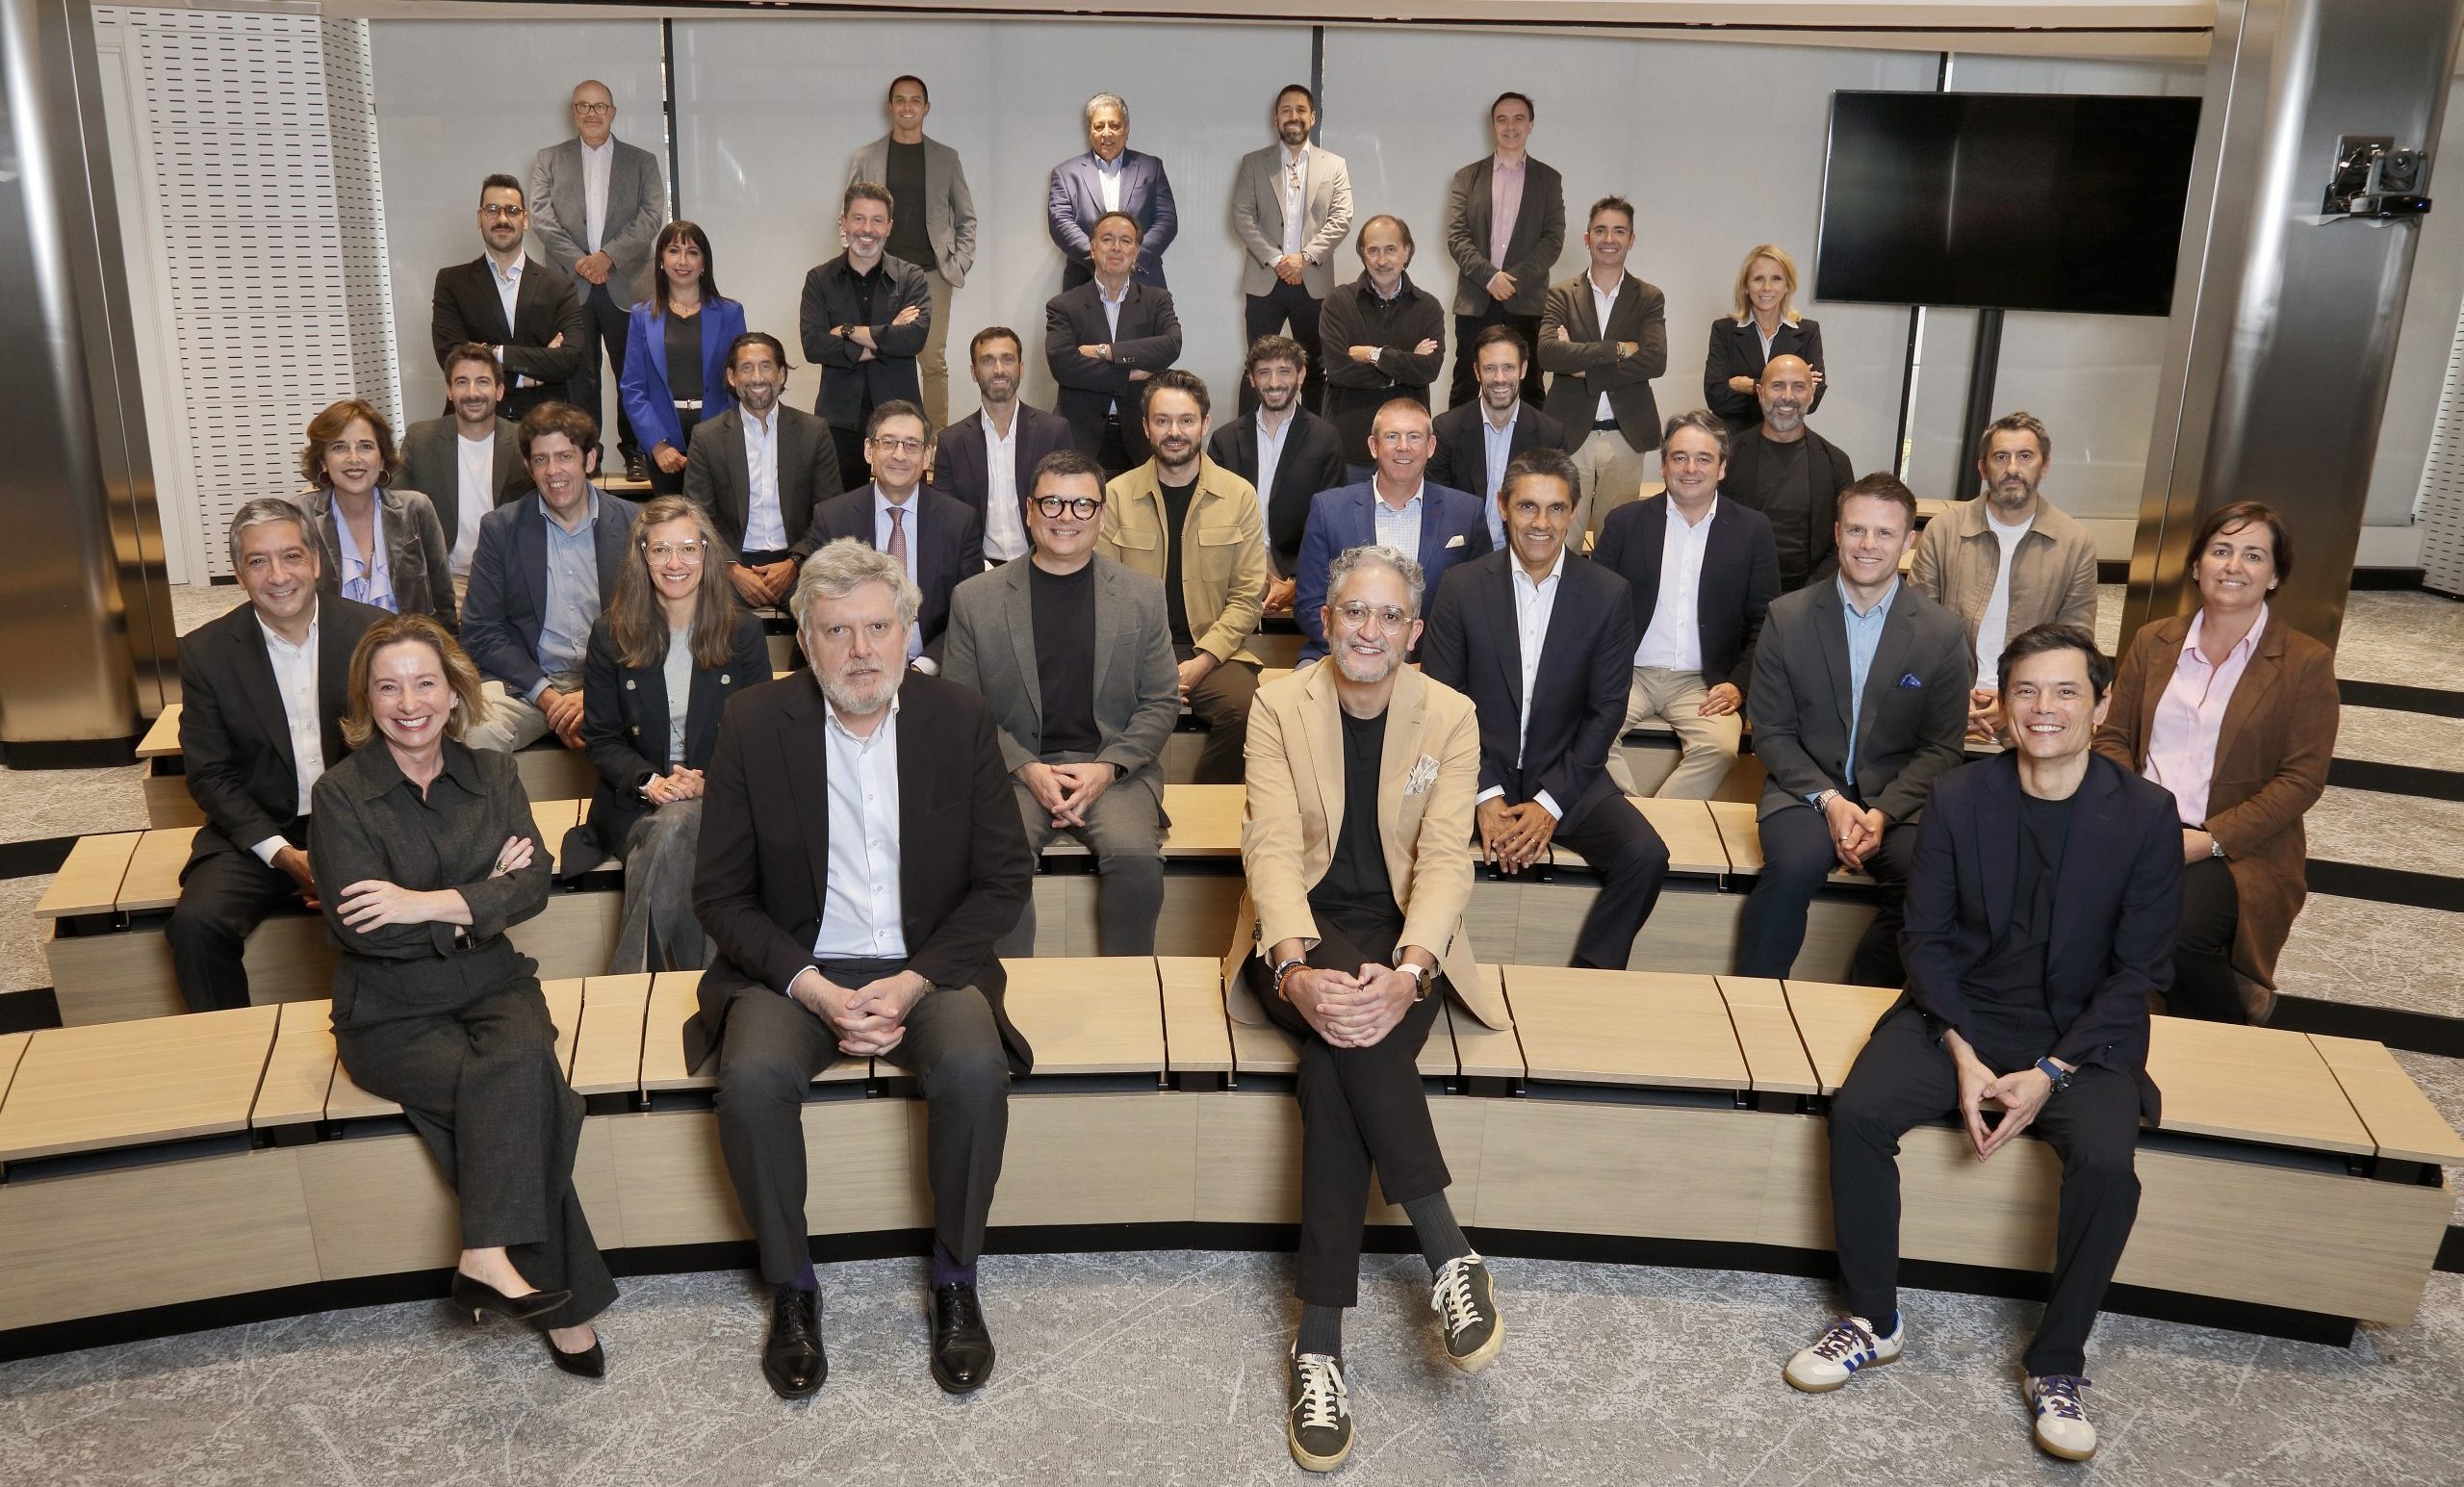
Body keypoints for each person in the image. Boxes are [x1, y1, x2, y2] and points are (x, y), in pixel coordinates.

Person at [1784, 623, 2181, 1466]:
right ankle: (1873, 1318)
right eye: (2026, 690)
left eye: (2066, 690)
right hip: (1961, 1011)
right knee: (1859, 1112)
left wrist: (2051, 1071)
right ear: (2001, 705)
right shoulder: (1961, 796)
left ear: (2102, 702)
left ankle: (2058, 1361)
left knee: (2107, 1163)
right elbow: (1924, 938)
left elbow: (2140, 968)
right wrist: (1962, 1051)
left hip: (2084, 1034)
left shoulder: (2146, 813)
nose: (2044, 708)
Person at [691, 539, 1033, 1401]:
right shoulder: (752, 723)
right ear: (805, 640)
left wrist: (915, 981)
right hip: (797, 964)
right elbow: (721, 896)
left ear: (906, 631)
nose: (861, 650)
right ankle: (792, 1287)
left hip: (928, 963)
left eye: (878, 627)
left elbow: (1002, 880)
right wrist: (812, 986)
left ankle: (956, 1276)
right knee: (752, 1081)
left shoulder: (958, 717)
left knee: (974, 1067)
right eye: (837, 631)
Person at [1227, 544, 1505, 1473]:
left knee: (1334, 1064)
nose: (1370, 630)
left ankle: (1319, 1346)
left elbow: (1447, 858)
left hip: (1400, 939)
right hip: (1297, 932)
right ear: (1326, 619)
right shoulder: (1278, 703)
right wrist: (1294, 970)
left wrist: (1413, 970)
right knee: (1347, 1037)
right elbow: (1270, 848)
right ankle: (1447, 1250)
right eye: (1355, 611)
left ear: (1413, 632)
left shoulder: (1450, 714)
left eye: (1390, 616)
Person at [308, 613, 616, 1376]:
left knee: (519, 1066)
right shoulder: (341, 794)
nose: (409, 702)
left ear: (454, 693)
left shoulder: (494, 774)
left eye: (425, 683)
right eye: (388, 687)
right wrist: (481, 896)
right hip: (389, 1008)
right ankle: (562, 1307)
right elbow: (363, 928)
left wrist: (420, 901)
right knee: (530, 1091)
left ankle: (486, 1253)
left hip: (493, 981)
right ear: (367, 700)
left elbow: (534, 883)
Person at [1422, 449, 1669, 969]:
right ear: (1503, 507)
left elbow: (1606, 710)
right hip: (1470, 773)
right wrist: (1484, 793)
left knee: (1645, 855)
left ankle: (1590, 979)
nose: (1542, 522)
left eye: (1556, 508)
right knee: (1400, 845)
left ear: (1573, 511)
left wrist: (1550, 802)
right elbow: (1443, 699)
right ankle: (1423, 970)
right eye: (1528, 506)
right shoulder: (1461, 587)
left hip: (1567, 775)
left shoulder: (1608, 594)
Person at [2094, 500, 2336, 1025]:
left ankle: (2229, 1036)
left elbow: (2301, 780)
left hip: (2237, 850)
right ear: (2196, 564)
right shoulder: (2153, 640)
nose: (2234, 566)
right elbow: (2112, 738)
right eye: (2221, 550)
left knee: (2173, 928)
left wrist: (2209, 840)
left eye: (2254, 555)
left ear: (2275, 576)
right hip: (2139, 827)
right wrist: (2137, 819)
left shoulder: (2305, 663)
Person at [1735, 474, 1969, 985]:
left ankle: (1868, 1004)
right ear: (1838, 533)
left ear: (1908, 541)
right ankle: (1754, 998)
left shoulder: (1942, 633)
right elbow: (1771, 732)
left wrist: (1882, 812)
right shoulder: (1787, 617)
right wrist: (1830, 801)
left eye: (1885, 533)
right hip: (1804, 791)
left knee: (1928, 884)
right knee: (1791, 870)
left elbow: (1942, 748)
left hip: (1899, 802)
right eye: (1858, 530)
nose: (1869, 545)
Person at [944, 449, 1177, 956]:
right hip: (1012, 771)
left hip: (1112, 770)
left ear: (1101, 515)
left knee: (1136, 858)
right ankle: (1011, 991)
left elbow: (1161, 701)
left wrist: (1107, 769)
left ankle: (1128, 985)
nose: (1066, 517)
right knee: (999, 861)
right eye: (1052, 503)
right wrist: (1026, 768)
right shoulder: (975, 599)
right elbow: (962, 708)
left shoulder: (1142, 595)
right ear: (1029, 510)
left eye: (1082, 505)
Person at [167, 501, 386, 1013]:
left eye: (291, 556)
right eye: (258, 562)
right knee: (196, 927)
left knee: (394, 907)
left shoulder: (373, 633)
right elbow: (210, 774)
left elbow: (400, 746)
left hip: (363, 821)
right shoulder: (206, 652)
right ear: (239, 573)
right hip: (259, 827)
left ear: (316, 560)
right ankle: (232, 1048)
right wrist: (286, 856)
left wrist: (341, 853)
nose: (279, 576)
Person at [567, 497, 768, 973]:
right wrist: (650, 783)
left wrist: (707, 783)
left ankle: (633, 978)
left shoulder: (743, 633)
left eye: (688, 548)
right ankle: (709, 982)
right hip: (635, 801)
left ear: (706, 553)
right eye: (660, 550)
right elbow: (602, 738)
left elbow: (760, 739)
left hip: (720, 797)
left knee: (680, 827)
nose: (675, 563)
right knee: (680, 829)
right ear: (642, 557)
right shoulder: (611, 634)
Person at [1594, 411, 1780, 800]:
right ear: (1663, 466)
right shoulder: (1624, 522)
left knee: (1720, 747)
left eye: (1703, 458)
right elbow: (1592, 611)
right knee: (1585, 735)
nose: (1690, 468)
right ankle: (1635, 818)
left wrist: (1739, 684)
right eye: (1679, 457)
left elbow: (1764, 620)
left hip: (1705, 682)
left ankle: (1646, 823)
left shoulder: (1752, 529)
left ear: (1722, 468)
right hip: (1629, 674)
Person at [1096, 370, 1270, 785]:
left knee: (1246, 711)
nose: (1174, 432)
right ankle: (1128, 799)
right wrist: (1151, 669)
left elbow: (1247, 597)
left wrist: (1202, 661)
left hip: (1214, 651)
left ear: (1205, 424)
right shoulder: (1115, 495)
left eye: (1186, 420)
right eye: (1163, 420)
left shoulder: (1239, 495)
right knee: (1099, 711)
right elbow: (1104, 592)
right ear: (1146, 427)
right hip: (1133, 652)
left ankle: (1206, 803)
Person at [462, 403, 643, 753]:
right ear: (529, 467)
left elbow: (655, 622)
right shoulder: (501, 529)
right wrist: (546, 696)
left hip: (617, 681)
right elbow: (481, 630)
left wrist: (593, 692)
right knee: (475, 735)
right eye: (541, 460)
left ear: (589, 460)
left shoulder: (634, 524)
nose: (553, 470)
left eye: (564, 456)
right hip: (526, 685)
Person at [1911, 412, 2100, 745]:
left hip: (2034, 712)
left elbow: (2075, 646)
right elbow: (1916, 629)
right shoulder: (1944, 531)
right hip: (1943, 702)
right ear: (1982, 467)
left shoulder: (2074, 542)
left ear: (2045, 465)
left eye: (2025, 456)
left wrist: (2014, 700)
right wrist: (1953, 697)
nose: (2012, 468)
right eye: (2001, 457)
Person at [529, 80, 669, 479]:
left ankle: (638, 452)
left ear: (613, 112)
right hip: (569, 285)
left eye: (600, 106)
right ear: (573, 112)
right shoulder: (549, 159)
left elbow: (652, 216)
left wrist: (608, 257)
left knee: (633, 374)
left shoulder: (642, 161)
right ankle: (584, 454)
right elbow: (541, 218)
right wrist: (581, 262)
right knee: (580, 377)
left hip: (627, 283)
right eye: (584, 106)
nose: (592, 113)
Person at [1293, 399, 1491, 662]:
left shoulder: (1466, 512)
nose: (1403, 446)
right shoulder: (1328, 509)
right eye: (1392, 436)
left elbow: (1482, 605)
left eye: (1414, 436)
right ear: (1374, 446)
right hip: (1344, 656)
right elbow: (1309, 605)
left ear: (1431, 446)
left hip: (1434, 662)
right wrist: (1367, 654)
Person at [803, 401, 983, 672]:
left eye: (911, 445)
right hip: (854, 666)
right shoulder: (832, 519)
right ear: (869, 450)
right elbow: (818, 611)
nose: (899, 455)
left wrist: (924, 667)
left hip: (933, 670)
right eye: (888, 443)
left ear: (927, 455)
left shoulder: (959, 522)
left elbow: (969, 614)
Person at [848, 75, 977, 427]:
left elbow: (967, 218)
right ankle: (883, 436)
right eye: (901, 100)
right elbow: (850, 215)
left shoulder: (946, 158)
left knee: (932, 362)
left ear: (926, 107)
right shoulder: (866, 157)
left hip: (932, 273)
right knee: (878, 353)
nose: (908, 107)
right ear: (890, 107)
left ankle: (935, 443)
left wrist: (959, 263)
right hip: (878, 275)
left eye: (915, 100)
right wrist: (854, 262)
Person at [682, 331, 845, 608]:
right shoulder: (706, 437)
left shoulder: (813, 432)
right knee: (718, 620)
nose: (757, 377)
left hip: (799, 564)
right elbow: (698, 517)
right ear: (732, 377)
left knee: (830, 615)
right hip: (731, 565)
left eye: (766, 366)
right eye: (747, 368)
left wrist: (794, 563)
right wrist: (732, 569)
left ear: (781, 375)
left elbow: (829, 512)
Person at [1538, 196, 1666, 537]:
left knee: (1616, 541)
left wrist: (1583, 366)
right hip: (1570, 436)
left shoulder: (1648, 297)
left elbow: (1655, 360)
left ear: (1631, 239)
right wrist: (1619, 349)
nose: (1609, 239)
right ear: (1587, 238)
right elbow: (1549, 355)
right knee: (1562, 538)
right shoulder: (1561, 294)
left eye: (1619, 231)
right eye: (1601, 230)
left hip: (1625, 435)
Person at [800, 182, 935, 489]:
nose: (867, 229)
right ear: (843, 222)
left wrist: (847, 332)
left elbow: (914, 339)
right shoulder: (819, 280)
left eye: (877, 220)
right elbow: (814, 345)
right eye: (859, 218)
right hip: (839, 421)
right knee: (839, 509)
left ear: (889, 226)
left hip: (901, 419)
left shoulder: (911, 277)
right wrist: (888, 338)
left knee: (906, 506)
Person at [1231, 83, 1352, 414]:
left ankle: (1313, 437)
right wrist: (1277, 259)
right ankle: (1248, 438)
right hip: (1264, 279)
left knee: (1315, 367)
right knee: (1256, 364)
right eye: (1286, 110)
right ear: (1276, 119)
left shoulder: (1334, 165)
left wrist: (1305, 258)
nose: (1293, 116)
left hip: (1313, 281)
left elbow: (1342, 218)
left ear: (1312, 117)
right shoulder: (1254, 163)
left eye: (1300, 110)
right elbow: (1242, 216)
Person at [1207, 334, 1348, 612]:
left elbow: (1330, 525)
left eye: (1284, 371)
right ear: (1251, 379)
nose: (1273, 383)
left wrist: (1297, 582)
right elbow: (1211, 519)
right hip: (1232, 570)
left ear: (1301, 375)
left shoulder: (1326, 439)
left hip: (1297, 571)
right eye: (1264, 373)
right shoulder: (1225, 440)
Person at [432, 175, 586, 424]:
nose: (502, 219)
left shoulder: (560, 286)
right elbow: (452, 358)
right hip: (473, 422)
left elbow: (569, 359)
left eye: (512, 211)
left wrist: (492, 352)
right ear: (480, 217)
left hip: (544, 427)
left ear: (525, 220)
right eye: (493, 210)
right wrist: (526, 376)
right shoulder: (452, 283)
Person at [1442, 91, 1562, 409]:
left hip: (1527, 301)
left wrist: (1512, 280)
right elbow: (1457, 237)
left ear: (1531, 125)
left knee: (1531, 386)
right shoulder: (1467, 177)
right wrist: (1490, 277)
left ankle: (1529, 446)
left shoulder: (1549, 180)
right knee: (1466, 387)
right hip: (1476, 300)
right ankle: (1460, 444)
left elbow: (1553, 240)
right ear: (1493, 125)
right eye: (1502, 119)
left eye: (1519, 119)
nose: (1511, 126)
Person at [298, 399, 457, 630]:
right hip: (331, 649)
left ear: (382, 459)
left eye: (365, 446)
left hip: (409, 645)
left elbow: (443, 602)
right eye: (339, 447)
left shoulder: (415, 509)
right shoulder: (300, 517)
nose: (354, 458)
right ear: (323, 461)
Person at [1045, 212, 1184, 474]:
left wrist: (1106, 352)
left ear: (1136, 251)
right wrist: (1128, 374)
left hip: (1141, 436)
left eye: (1126, 240)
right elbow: (1064, 366)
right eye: (1107, 239)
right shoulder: (1063, 305)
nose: (1116, 248)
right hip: (1081, 436)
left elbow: (1170, 345)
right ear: (1093, 248)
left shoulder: (1157, 300)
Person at [619, 220, 748, 498]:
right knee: (672, 520)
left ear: (704, 263)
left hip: (718, 439)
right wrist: (656, 444)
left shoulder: (730, 313)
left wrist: (721, 437)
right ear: (661, 260)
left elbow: (739, 382)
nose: (683, 261)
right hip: (663, 444)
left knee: (715, 522)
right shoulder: (641, 316)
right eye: (674, 251)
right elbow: (633, 388)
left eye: (692, 252)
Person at [933, 327, 1077, 566]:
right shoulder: (951, 442)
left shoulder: (1054, 432)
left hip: (1044, 562)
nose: (999, 369)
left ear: (1021, 368)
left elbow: (1067, 505)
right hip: (979, 568)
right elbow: (946, 519)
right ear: (973, 372)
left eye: (1007, 359)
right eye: (988, 361)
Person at [1318, 215, 1445, 475]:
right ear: (1363, 254)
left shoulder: (1428, 307)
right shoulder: (1338, 302)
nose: (1382, 260)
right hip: (1349, 451)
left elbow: (1428, 370)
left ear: (1406, 252)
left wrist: (1374, 354)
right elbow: (1338, 370)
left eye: (1391, 249)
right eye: (1373, 250)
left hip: (1407, 453)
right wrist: (1404, 368)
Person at [398, 344, 527, 599]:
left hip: (509, 577)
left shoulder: (524, 440)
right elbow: (395, 511)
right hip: (445, 580)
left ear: (500, 391)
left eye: (482, 382)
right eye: (461, 382)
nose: (472, 393)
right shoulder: (420, 439)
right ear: (449, 391)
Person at [1719, 354, 1854, 595]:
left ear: (1811, 394)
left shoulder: (1836, 463)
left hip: (1810, 596)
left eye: (1798, 387)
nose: (1788, 396)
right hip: (1737, 591)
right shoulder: (1728, 457)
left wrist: (1806, 598)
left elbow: (1844, 539)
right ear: (1760, 393)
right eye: (1778, 386)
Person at [1427, 326, 1571, 550]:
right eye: (1490, 368)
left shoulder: (1549, 435)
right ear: (1477, 372)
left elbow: (1554, 511)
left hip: (1523, 552)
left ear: (1523, 369)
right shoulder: (1446, 430)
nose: (1499, 378)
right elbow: (1436, 507)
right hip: (1462, 553)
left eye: (1508, 367)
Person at [1046, 92, 1177, 289]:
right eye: (1099, 126)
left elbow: (1166, 222)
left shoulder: (1152, 167)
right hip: (1084, 283)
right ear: (1089, 131)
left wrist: (1132, 259)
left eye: (1114, 126)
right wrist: (1101, 259)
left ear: (1127, 130)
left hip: (1142, 282)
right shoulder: (1065, 174)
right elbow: (1060, 224)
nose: (1106, 133)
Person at [1705, 244, 1826, 431]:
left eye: (1776, 279)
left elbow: (1813, 399)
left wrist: (1751, 385)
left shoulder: (1808, 332)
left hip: (1785, 440)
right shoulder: (1724, 330)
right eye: (1758, 279)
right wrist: (1789, 391)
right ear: (1746, 286)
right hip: (1735, 441)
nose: (1767, 288)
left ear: (1788, 285)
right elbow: (1716, 398)